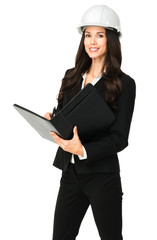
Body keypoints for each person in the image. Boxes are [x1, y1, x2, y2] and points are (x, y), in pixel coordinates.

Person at [44, 5, 136, 240]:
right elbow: (66, 117)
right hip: (70, 173)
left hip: (102, 176)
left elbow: (119, 138)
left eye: (100, 35)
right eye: (88, 35)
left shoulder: (124, 84)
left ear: (111, 39)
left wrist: (83, 149)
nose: (92, 41)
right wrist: (52, 122)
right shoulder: (71, 76)